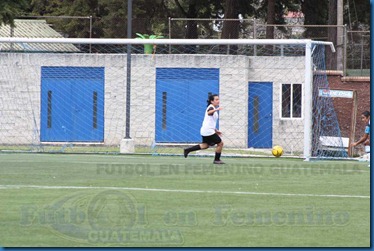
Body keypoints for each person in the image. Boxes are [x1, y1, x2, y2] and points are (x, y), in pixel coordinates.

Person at [184, 94, 225, 164]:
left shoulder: (212, 107)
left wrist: (215, 130)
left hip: (206, 130)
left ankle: (187, 150)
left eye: (218, 99)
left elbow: (209, 121)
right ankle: (217, 160)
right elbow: (209, 112)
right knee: (220, 143)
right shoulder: (211, 107)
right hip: (208, 131)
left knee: (205, 145)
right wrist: (217, 109)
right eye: (216, 99)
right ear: (212, 101)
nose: (218, 101)